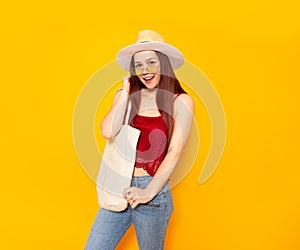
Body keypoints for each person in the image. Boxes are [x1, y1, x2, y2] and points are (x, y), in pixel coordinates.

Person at [85, 30, 194, 250]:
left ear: (163, 64)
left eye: (151, 62)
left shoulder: (180, 101)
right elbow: (108, 130)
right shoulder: (124, 95)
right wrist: (125, 92)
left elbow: (175, 150)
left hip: (153, 189)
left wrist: (148, 192)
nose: (145, 70)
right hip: (119, 186)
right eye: (139, 65)